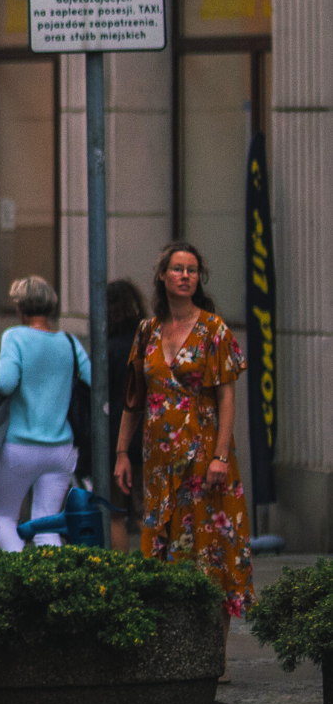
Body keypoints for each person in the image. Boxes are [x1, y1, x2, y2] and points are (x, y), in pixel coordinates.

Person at [116, 242, 253, 615]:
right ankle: (169, 643)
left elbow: (227, 397)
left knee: (209, 548)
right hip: (159, 463)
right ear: (162, 276)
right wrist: (121, 452)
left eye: (192, 270)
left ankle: (215, 653)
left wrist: (220, 456)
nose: (185, 276)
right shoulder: (147, 331)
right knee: (163, 547)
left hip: (204, 458)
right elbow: (134, 399)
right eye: (178, 269)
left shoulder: (214, 329)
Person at [0, 276, 90, 552]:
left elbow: (5, 383)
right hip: (61, 448)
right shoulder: (69, 342)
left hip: (20, 445)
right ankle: (50, 587)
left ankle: (23, 580)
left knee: (3, 517)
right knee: (46, 525)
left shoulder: (14, 337)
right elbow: (92, 379)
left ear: (20, 307)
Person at [103, 278, 147, 545]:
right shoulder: (148, 344)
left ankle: (124, 572)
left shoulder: (107, 350)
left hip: (114, 438)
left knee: (115, 512)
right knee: (146, 512)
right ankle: (160, 570)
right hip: (148, 436)